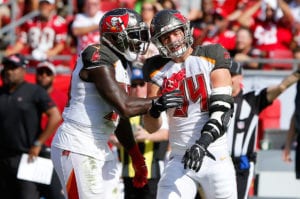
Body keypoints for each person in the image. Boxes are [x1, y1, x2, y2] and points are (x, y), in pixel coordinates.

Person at [50, 8, 183, 199]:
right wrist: (158, 101)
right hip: (78, 144)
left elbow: (119, 117)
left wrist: (136, 157)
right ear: (115, 36)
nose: (139, 41)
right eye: (134, 35)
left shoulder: (120, 65)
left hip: (100, 146)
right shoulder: (95, 53)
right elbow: (124, 106)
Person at [143, 9, 237, 199]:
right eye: (166, 37)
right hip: (179, 157)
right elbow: (150, 128)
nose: (173, 40)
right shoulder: (156, 70)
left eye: (176, 32)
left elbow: (223, 111)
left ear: (185, 30)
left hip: (214, 153)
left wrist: (202, 144)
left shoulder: (212, 55)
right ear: (159, 43)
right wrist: (155, 108)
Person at [227, 61, 300, 199]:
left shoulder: (251, 101)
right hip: (217, 163)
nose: (229, 79)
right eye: (226, 75)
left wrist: (297, 74)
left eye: (233, 75)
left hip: (240, 166)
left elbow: (281, 87)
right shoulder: (213, 102)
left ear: (240, 77)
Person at [0, 53, 62, 199]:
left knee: (28, 195)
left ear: (23, 70)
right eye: (7, 67)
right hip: (3, 158)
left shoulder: (34, 91)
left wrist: (38, 143)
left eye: (14, 67)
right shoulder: (1, 93)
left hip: (27, 156)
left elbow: (55, 116)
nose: (9, 71)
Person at [118, 66, 169, 199]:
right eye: (134, 85)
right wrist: (123, 140)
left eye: (141, 84)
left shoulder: (156, 106)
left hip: (152, 171)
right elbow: (111, 135)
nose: (138, 88)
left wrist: (147, 136)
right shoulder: (124, 109)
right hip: (128, 171)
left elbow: (166, 133)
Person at [35, 60, 67, 199]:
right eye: (40, 72)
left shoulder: (62, 97)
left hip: (53, 153)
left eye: (47, 73)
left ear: (54, 76)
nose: (43, 76)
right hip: (32, 152)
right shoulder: (28, 95)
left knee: (55, 194)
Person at [4, 0, 68, 66]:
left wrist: (51, 52)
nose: (44, 7)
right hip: (33, 61)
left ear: (53, 6)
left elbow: (61, 44)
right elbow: (22, 41)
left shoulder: (59, 22)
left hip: (52, 63)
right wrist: (13, 51)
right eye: (42, 4)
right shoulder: (30, 21)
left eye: (47, 4)